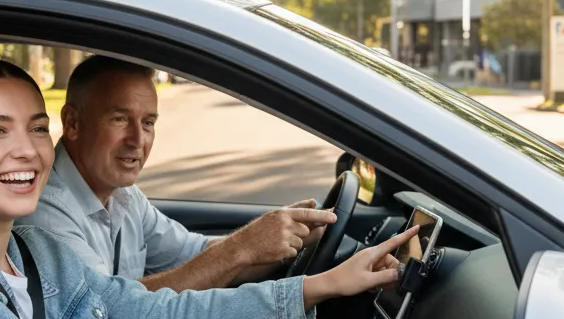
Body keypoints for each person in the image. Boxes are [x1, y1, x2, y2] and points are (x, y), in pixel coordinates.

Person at [0, 58, 417, 319]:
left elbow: (153, 318)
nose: (27, 151)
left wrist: (323, 284)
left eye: (35, 128)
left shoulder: (39, 253)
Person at [22, 56, 333, 292]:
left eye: (148, 123)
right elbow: (108, 314)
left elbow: (194, 255)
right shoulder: (46, 212)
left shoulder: (123, 196)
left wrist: (285, 241)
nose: (138, 140)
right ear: (73, 123)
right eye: (120, 119)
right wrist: (243, 248)